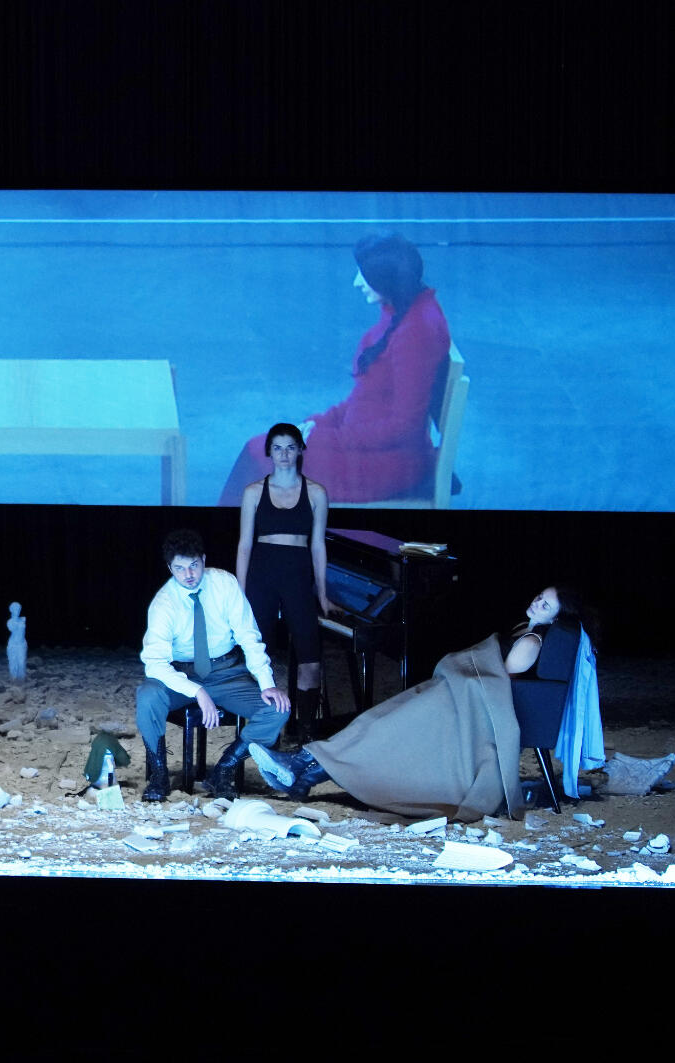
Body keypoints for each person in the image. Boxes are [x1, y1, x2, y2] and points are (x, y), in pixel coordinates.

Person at [249, 585, 601, 821]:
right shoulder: (526, 630)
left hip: (464, 710)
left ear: (556, 617)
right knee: (377, 725)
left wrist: (459, 673)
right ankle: (302, 772)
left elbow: (493, 682)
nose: (537, 603)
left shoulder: (531, 642)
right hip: (453, 701)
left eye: (546, 604)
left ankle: (300, 766)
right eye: (539, 596)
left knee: (381, 730)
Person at [217, 232, 451, 505]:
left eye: (365, 275)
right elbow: (368, 396)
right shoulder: (404, 312)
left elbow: (405, 426)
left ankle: (233, 530)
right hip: (369, 447)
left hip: (387, 462)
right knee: (264, 449)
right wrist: (320, 423)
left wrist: (330, 438)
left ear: (387, 278)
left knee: (261, 455)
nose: (356, 282)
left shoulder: (415, 332)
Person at [134, 529, 293, 802]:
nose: (188, 575)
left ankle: (224, 769)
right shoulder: (164, 603)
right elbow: (154, 664)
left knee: (277, 708)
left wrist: (267, 684)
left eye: (194, 565)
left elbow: (249, 636)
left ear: (204, 560)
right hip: (182, 674)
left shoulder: (225, 584)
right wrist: (196, 691)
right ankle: (159, 774)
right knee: (147, 696)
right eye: (180, 568)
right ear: (170, 568)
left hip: (227, 672)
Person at [234, 422, 334, 713]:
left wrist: (323, 593)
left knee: (310, 657)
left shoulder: (316, 492)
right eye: (277, 448)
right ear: (269, 452)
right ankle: (264, 725)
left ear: (300, 449)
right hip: (262, 573)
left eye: (290, 447)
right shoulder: (253, 492)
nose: (284, 454)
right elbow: (244, 544)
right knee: (258, 655)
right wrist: (239, 593)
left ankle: (305, 728)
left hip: (297, 575)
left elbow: (318, 545)